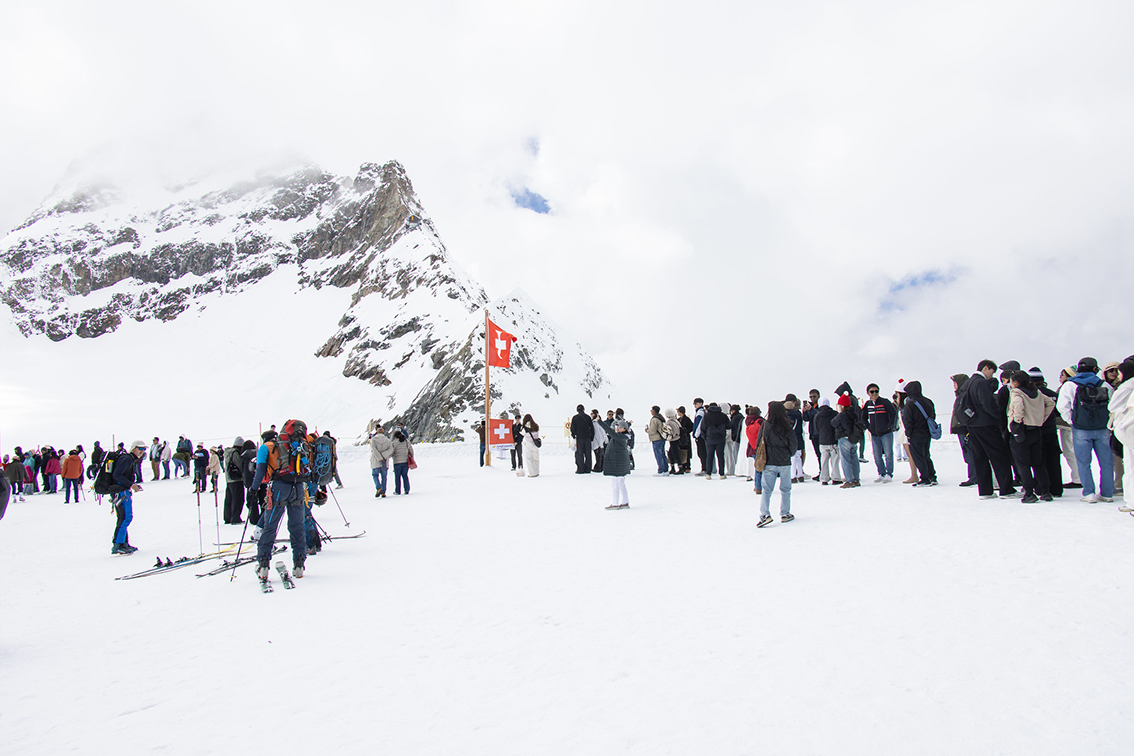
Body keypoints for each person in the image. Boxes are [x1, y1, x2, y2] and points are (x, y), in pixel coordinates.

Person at [250, 424, 310, 580]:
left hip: (278, 488)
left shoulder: (266, 448)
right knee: (297, 527)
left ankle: (263, 565)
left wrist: (253, 489)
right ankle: (299, 564)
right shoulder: (296, 445)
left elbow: (260, 471)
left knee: (270, 526)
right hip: (297, 487)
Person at [1057, 357, 1115, 503]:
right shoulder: (1105, 385)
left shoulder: (1070, 385)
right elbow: (1113, 406)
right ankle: (1107, 493)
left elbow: (1062, 407)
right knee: (1106, 462)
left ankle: (1089, 493)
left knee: (1083, 462)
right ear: (1095, 369)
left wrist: (1072, 421)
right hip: (1102, 428)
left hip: (1080, 428)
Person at [961, 360, 1020, 499]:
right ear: (986, 368)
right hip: (986, 424)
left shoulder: (968, 382)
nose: (991, 376)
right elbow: (987, 403)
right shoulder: (981, 382)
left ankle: (985, 491)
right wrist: (998, 418)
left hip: (972, 424)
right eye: (992, 372)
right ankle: (1006, 489)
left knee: (980, 457)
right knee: (999, 455)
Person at [1007, 370, 1056, 502]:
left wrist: (1017, 422)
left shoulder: (1017, 393)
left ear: (1015, 382)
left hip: (1022, 430)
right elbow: (1051, 403)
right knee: (1038, 463)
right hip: (1036, 429)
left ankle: (1029, 493)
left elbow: (1018, 407)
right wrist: (1041, 418)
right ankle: (1045, 491)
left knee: (1023, 464)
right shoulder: (1037, 392)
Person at [757, 401, 797, 527]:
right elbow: (793, 444)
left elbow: (759, 442)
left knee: (767, 490)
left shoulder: (765, 425)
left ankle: (765, 514)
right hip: (784, 461)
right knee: (786, 489)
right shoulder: (787, 425)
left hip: (769, 461)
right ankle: (785, 513)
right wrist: (788, 454)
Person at [110, 441, 147, 554]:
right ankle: (118, 544)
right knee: (125, 517)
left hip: (122, 491)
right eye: (140, 448)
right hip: (121, 492)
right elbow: (117, 475)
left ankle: (123, 543)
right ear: (134, 448)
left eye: (144, 449)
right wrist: (131, 485)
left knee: (124, 517)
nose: (142, 451)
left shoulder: (129, 459)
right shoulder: (127, 459)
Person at [901, 381, 938, 486]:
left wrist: (908, 434)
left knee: (918, 456)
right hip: (927, 432)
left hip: (915, 433)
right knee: (926, 455)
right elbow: (933, 416)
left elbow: (908, 421)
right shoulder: (928, 401)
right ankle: (932, 476)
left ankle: (925, 478)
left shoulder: (910, 403)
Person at [1110, 360, 1134, 507]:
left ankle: (1131, 502)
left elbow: (1112, 405)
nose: (1117, 376)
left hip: (1128, 428)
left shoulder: (1126, 386)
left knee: (1130, 468)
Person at [863, 383, 897, 483]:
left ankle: (889, 474)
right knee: (877, 455)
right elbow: (863, 417)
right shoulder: (868, 404)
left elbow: (893, 413)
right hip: (875, 434)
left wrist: (890, 425)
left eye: (876, 391)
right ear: (868, 393)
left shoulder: (885, 402)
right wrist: (868, 427)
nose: (874, 393)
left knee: (888, 454)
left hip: (886, 433)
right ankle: (881, 473)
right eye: (872, 392)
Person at [1056, 367, 1083, 488]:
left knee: (1070, 452)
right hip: (1080, 424)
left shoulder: (1067, 387)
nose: (1060, 377)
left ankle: (1078, 478)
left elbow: (1062, 407)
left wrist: (1069, 421)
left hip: (1068, 426)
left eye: (1062, 375)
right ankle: (1079, 477)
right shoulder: (1081, 386)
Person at [599, 415, 632, 510]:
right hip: (620, 464)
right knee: (621, 484)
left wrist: (599, 421)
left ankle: (615, 503)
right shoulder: (622, 437)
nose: (617, 428)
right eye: (616, 426)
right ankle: (625, 502)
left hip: (617, 464)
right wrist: (628, 423)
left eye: (619, 427)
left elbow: (609, 431)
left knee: (615, 484)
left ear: (624, 429)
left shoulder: (619, 437)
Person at [832, 394, 861, 488]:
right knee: (854, 459)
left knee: (846, 460)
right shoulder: (854, 414)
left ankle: (849, 480)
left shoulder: (842, 415)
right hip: (853, 438)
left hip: (844, 438)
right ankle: (856, 479)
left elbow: (833, 422)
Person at [814, 399, 842, 485]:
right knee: (835, 461)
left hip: (822, 441)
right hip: (833, 440)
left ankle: (824, 478)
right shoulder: (834, 413)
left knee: (824, 460)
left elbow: (817, 428)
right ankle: (836, 478)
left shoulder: (817, 415)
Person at [702, 402, 730, 479]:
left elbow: (703, 428)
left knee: (709, 456)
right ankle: (722, 474)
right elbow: (729, 426)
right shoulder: (723, 416)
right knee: (720, 456)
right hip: (720, 438)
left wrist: (705, 437)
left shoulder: (706, 416)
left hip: (710, 438)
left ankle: (708, 473)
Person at [223, 438, 246, 524]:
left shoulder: (228, 453)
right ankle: (235, 518)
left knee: (229, 499)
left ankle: (228, 517)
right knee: (238, 499)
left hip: (229, 480)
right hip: (236, 480)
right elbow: (239, 465)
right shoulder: (235, 453)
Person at [784, 395, 806, 483]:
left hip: (792, 438)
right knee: (798, 457)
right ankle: (800, 475)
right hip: (799, 437)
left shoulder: (789, 417)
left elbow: (789, 428)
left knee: (792, 457)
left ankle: (793, 476)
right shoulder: (798, 414)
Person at [370, 425, 394, 497]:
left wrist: (379, 457)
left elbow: (373, 449)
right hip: (384, 460)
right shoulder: (387, 440)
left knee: (375, 475)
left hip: (376, 460)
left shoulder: (373, 440)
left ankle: (378, 488)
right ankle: (383, 491)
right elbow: (391, 449)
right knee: (384, 477)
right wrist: (384, 455)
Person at [570, 404, 594, 474]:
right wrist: (591, 437)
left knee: (579, 454)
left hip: (579, 438)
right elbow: (592, 428)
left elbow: (572, 428)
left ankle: (580, 469)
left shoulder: (575, 418)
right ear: (583, 409)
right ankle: (588, 468)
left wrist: (573, 435)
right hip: (587, 438)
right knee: (588, 454)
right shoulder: (588, 417)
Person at [744, 405, 764, 488]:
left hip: (752, 447)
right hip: (761, 447)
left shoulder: (748, 421)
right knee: (762, 467)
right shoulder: (761, 421)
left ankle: (757, 486)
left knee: (757, 466)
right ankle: (760, 486)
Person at [647, 406, 667, 476]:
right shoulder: (661, 418)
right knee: (663, 454)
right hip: (662, 438)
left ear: (654, 411)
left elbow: (653, 430)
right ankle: (665, 469)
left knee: (658, 455)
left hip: (656, 439)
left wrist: (647, 430)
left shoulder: (654, 419)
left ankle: (660, 470)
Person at [391, 430, 413, 495]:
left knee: (397, 477)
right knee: (405, 475)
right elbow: (411, 450)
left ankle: (397, 491)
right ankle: (407, 489)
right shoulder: (406, 441)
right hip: (405, 461)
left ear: (395, 436)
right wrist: (412, 458)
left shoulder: (394, 443)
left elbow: (392, 451)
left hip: (397, 461)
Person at [691, 398, 708, 475]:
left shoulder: (700, 412)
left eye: (696, 403)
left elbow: (699, 424)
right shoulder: (700, 412)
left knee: (702, 453)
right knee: (702, 452)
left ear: (701, 403)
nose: (695, 405)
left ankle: (704, 468)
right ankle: (705, 468)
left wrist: (696, 434)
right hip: (701, 435)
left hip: (700, 436)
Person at [677, 406, 694, 473]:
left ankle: (687, 466)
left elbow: (691, 427)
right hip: (680, 438)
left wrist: (685, 431)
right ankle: (683, 466)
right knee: (681, 451)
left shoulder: (687, 419)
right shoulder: (678, 420)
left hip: (685, 438)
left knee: (687, 452)